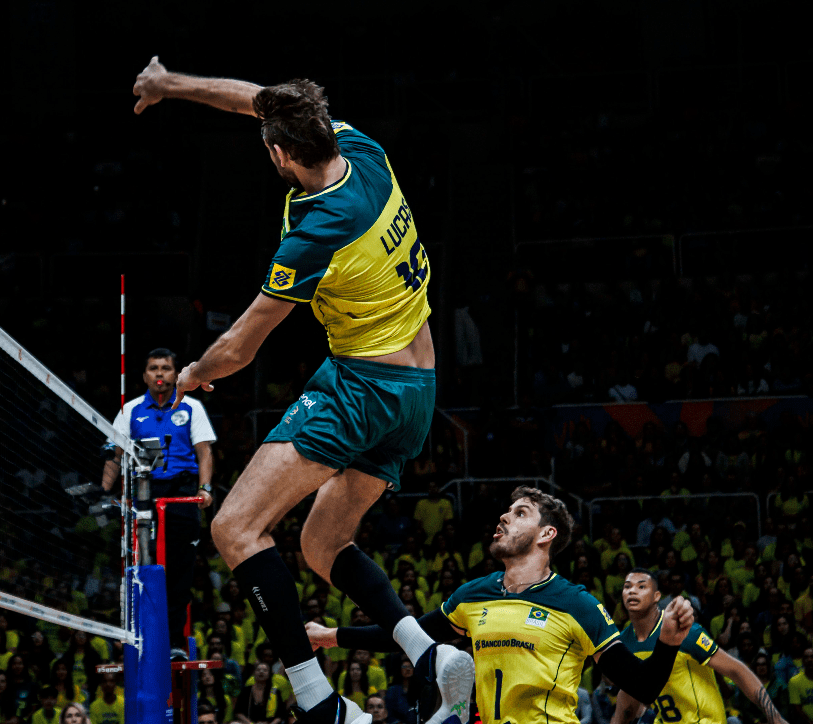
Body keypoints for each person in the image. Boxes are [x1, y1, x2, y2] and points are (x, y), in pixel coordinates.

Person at [131, 57, 456, 724]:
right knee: (318, 545)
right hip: (420, 386)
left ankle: (319, 703)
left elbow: (242, 345)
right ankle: (425, 652)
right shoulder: (359, 145)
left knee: (235, 526)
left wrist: (191, 376)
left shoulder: (316, 232)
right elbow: (262, 100)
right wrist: (171, 86)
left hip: (365, 385)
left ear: (280, 154)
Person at [308, 487, 702, 724]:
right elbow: (408, 635)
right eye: (507, 511)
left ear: (546, 534)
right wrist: (332, 635)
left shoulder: (577, 604)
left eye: (520, 513)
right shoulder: (472, 595)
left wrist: (667, 643)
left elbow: (643, 686)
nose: (504, 516)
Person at [101, 347, 217, 647]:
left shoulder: (192, 407)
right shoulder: (130, 411)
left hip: (182, 495)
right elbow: (114, 457)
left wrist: (205, 489)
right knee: (145, 569)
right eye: (153, 368)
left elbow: (204, 451)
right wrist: (104, 492)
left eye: (165, 368)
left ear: (175, 374)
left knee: (180, 573)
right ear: (144, 376)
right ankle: (143, 637)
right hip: (145, 495)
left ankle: (175, 643)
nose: (160, 374)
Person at [612, 569, 788, 724]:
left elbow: (736, 670)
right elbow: (627, 702)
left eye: (641, 586)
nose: (632, 591)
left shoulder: (684, 630)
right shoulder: (623, 643)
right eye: (627, 587)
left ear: (656, 597)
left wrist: (774, 717)